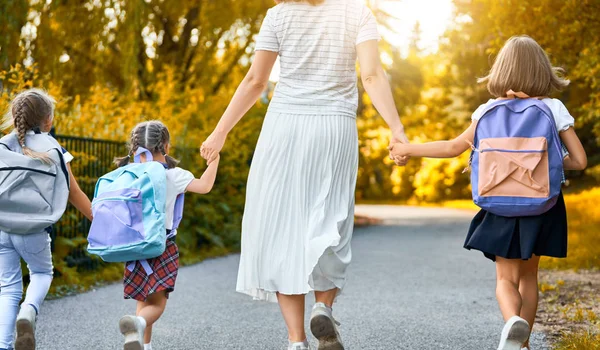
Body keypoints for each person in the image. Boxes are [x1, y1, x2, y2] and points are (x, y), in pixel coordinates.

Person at [200, 0, 408, 349]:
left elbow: (255, 80)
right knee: (333, 221)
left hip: (283, 126)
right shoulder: (357, 12)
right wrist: (396, 127)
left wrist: (220, 132)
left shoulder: (278, 14)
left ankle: (296, 341)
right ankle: (323, 307)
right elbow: (371, 75)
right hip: (335, 125)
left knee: (283, 229)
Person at [389, 35, 587, 350]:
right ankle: (522, 347)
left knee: (505, 280)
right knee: (529, 279)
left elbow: (453, 148)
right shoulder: (552, 108)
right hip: (542, 205)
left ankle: (512, 324)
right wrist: (540, 160)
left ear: (501, 70)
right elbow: (579, 160)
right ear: (541, 71)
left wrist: (406, 148)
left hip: (500, 205)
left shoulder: (487, 110)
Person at [0, 89, 93, 350]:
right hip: (33, 230)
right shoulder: (54, 149)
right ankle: (29, 310)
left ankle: (3, 345)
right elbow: (74, 192)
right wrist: (98, 218)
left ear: (15, 116)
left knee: (7, 290)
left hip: (2, 228)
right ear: (48, 121)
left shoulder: (3, 145)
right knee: (41, 272)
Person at [115, 121, 219, 350]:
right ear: (166, 146)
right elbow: (205, 186)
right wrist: (214, 160)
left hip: (134, 246)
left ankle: (145, 344)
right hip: (161, 245)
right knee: (158, 304)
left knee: (143, 297)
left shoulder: (128, 174)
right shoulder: (173, 175)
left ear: (134, 148)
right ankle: (139, 324)